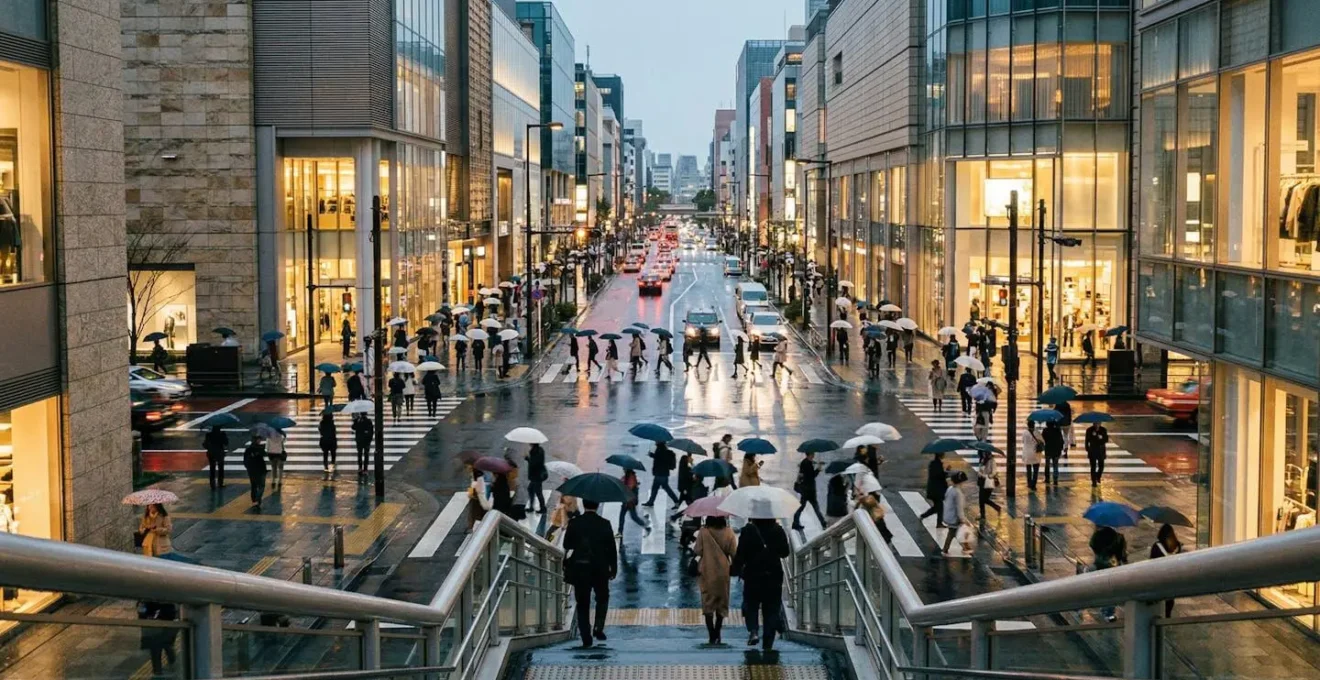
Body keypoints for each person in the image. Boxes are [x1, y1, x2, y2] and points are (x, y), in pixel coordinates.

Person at [564, 500, 618, 648]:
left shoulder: (575, 523)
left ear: (583, 504)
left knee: (582, 603)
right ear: (598, 505)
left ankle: (586, 637)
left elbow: (566, 544)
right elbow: (612, 548)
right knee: (602, 597)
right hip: (600, 568)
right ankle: (598, 627)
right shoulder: (604, 523)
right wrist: (613, 568)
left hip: (580, 567)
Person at [732, 517, 791, 650]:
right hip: (773, 575)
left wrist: (735, 568)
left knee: (751, 604)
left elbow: (740, 553)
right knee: (771, 608)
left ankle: (753, 631)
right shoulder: (777, 530)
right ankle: (768, 644)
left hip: (753, 574)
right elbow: (785, 552)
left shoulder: (748, 530)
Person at [693, 516, 738, 645]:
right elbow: (734, 552)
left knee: (708, 602)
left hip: (707, 570)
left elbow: (698, 550)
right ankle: (718, 632)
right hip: (723, 572)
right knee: (721, 602)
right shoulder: (729, 532)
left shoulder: (704, 532)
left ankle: (711, 634)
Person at [1090, 526, 1128, 621]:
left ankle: (1103, 607)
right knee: (1111, 590)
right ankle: (1109, 613)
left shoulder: (1097, 535)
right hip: (1113, 566)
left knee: (1102, 587)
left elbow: (1091, 544)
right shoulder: (1119, 537)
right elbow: (1122, 555)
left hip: (1100, 564)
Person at [1149, 524, 1183, 617]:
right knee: (1170, 599)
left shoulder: (1156, 546)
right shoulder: (1177, 546)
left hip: (1160, 577)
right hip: (1172, 577)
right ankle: (1168, 616)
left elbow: (1151, 563)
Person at [138, 600, 179, 674]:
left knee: (157, 649)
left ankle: (158, 671)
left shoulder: (150, 600)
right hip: (163, 625)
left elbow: (142, 611)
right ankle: (167, 665)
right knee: (164, 646)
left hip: (158, 626)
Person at [792, 451, 826, 531]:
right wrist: (818, 469)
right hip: (810, 490)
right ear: (810, 454)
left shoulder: (804, 462)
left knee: (802, 506)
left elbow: (802, 474)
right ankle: (823, 523)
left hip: (804, 489)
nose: (814, 455)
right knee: (815, 507)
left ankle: (795, 523)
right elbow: (812, 476)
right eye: (813, 454)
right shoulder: (808, 464)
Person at [940, 471, 972, 555]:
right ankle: (965, 548)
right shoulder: (958, 493)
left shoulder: (950, 489)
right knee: (963, 531)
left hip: (948, 515)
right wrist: (963, 519)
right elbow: (959, 508)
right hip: (955, 518)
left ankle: (946, 549)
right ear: (961, 482)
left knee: (953, 533)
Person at [618, 469, 651, 538]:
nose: (623, 469)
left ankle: (647, 527)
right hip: (627, 500)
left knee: (633, 517)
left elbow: (629, 487)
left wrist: (623, 483)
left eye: (624, 468)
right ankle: (620, 532)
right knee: (624, 516)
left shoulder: (631, 477)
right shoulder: (628, 476)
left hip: (629, 501)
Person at [645, 441, 680, 506]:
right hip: (663, 473)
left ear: (659, 442)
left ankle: (676, 501)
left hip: (660, 473)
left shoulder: (660, 449)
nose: (655, 442)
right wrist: (652, 455)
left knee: (658, 488)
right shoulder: (663, 449)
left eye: (656, 441)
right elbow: (659, 458)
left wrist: (651, 455)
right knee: (661, 488)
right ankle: (651, 502)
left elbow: (659, 458)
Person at [919, 452, 948, 527]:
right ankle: (937, 522)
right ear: (940, 455)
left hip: (934, 489)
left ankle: (925, 517)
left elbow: (939, 474)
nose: (944, 455)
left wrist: (945, 472)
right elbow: (939, 476)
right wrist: (946, 473)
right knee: (939, 507)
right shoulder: (937, 464)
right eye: (943, 454)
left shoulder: (935, 463)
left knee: (938, 507)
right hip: (936, 490)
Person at [243, 435, 267, 506]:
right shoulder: (260, 448)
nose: (260, 441)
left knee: (253, 486)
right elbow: (265, 454)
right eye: (259, 439)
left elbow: (245, 461)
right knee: (261, 486)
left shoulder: (248, 449)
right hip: (260, 470)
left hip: (251, 471)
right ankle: (257, 499)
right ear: (256, 440)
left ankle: (254, 500)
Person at [977, 449, 1002, 519]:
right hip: (982, 482)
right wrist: (979, 473)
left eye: (985, 453)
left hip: (988, 482)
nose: (984, 455)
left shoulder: (991, 461)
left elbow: (994, 472)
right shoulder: (982, 460)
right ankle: (982, 515)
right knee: (981, 500)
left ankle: (997, 507)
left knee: (984, 499)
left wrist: (986, 476)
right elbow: (980, 469)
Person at [203, 424, 228, 490]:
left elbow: (205, 445)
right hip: (220, 453)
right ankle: (220, 483)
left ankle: (212, 484)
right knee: (221, 468)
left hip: (211, 453)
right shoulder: (222, 434)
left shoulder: (208, 435)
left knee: (212, 468)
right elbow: (226, 443)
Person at [466, 467, 492, 531]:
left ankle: (471, 528)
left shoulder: (474, 483)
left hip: (476, 503)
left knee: (475, 517)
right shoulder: (484, 482)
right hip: (483, 501)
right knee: (483, 516)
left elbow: (470, 494)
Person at [1085, 420, 1110, 486]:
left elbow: (1106, 439)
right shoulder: (1089, 430)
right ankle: (1094, 481)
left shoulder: (1103, 430)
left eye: (1098, 423)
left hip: (1101, 450)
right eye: (1095, 423)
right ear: (1093, 423)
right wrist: (1087, 449)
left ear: (1100, 423)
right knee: (1093, 466)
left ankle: (1098, 477)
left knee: (1101, 466)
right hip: (1092, 450)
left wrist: (1101, 437)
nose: (1096, 425)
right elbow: (1087, 440)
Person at [526, 443, 548, 514]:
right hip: (536, 476)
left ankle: (543, 508)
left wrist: (527, 458)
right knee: (530, 489)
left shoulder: (536, 452)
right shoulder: (539, 450)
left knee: (538, 493)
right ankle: (531, 507)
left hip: (536, 476)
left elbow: (535, 464)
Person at [1042, 420, 1065, 486]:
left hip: (1048, 450)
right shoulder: (1058, 430)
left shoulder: (1045, 430)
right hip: (1056, 451)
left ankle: (1047, 479)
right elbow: (1062, 441)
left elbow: (1042, 439)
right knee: (1055, 465)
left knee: (1047, 465)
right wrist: (1060, 449)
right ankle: (1055, 480)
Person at [1022, 421, 1043, 491]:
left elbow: (1023, 441)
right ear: (1034, 425)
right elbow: (1042, 441)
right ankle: (1033, 484)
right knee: (1036, 470)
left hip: (1027, 453)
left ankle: (1029, 483)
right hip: (1035, 453)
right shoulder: (1037, 432)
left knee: (1028, 469)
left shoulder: (1025, 433)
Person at [352, 413, 374, 477]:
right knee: (366, 455)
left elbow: (353, 427)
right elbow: (371, 431)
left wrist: (355, 421)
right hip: (366, 441)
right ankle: (365, 469)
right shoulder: (368, 421)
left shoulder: (359, 421)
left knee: (360, 454)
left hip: (360, 440)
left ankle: (360, 468)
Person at [319, 409, 338, 475]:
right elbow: (334, 432)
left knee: (325, 453)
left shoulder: (322, 423)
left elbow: (320, 431)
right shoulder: (331, 423)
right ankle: (333, 463)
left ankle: (325, 465)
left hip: (324, 440)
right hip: (332, 440)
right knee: (333, 452)